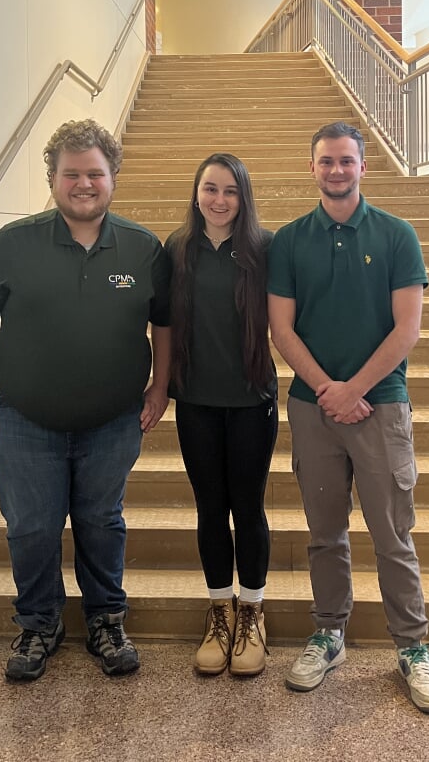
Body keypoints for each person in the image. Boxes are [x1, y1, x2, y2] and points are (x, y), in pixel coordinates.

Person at [0, 118, 170, 682]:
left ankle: (105, 620)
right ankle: (39, 623)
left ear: (113, 177)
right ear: (52, 178)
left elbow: (165, 325)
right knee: (30, 525)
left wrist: (160, 386)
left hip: (112, 420)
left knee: (102, 522)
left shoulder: (144, 249)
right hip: (23, 421)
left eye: (94, 173)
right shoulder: (13, 243)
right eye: (71, 174)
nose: (83, 184)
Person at [267, 121, 429, 713]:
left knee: (392, 535)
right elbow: (281, 329)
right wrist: (327, 389)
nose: (336, 170)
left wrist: (355, 390)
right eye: (326, 161)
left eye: (347, 161)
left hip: (382, 406)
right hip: (313, 409)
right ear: (311, 166)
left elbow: (407, 329)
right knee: (325, 533)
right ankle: (329, 634)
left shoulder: (398, 235)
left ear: (363, 167)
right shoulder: (291, 241)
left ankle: (413, 648)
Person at [165, 153, 277, 676]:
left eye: (230, 190)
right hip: (196, 402)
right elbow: (161, 323)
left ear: (244, 197)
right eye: (210, 188)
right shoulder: (178, 248)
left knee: (247, 506)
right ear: (196, 192)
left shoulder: (263, 249)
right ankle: (219, 611)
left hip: (252, 401)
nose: (219, 199)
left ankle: (252, 612)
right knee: (210, 507)